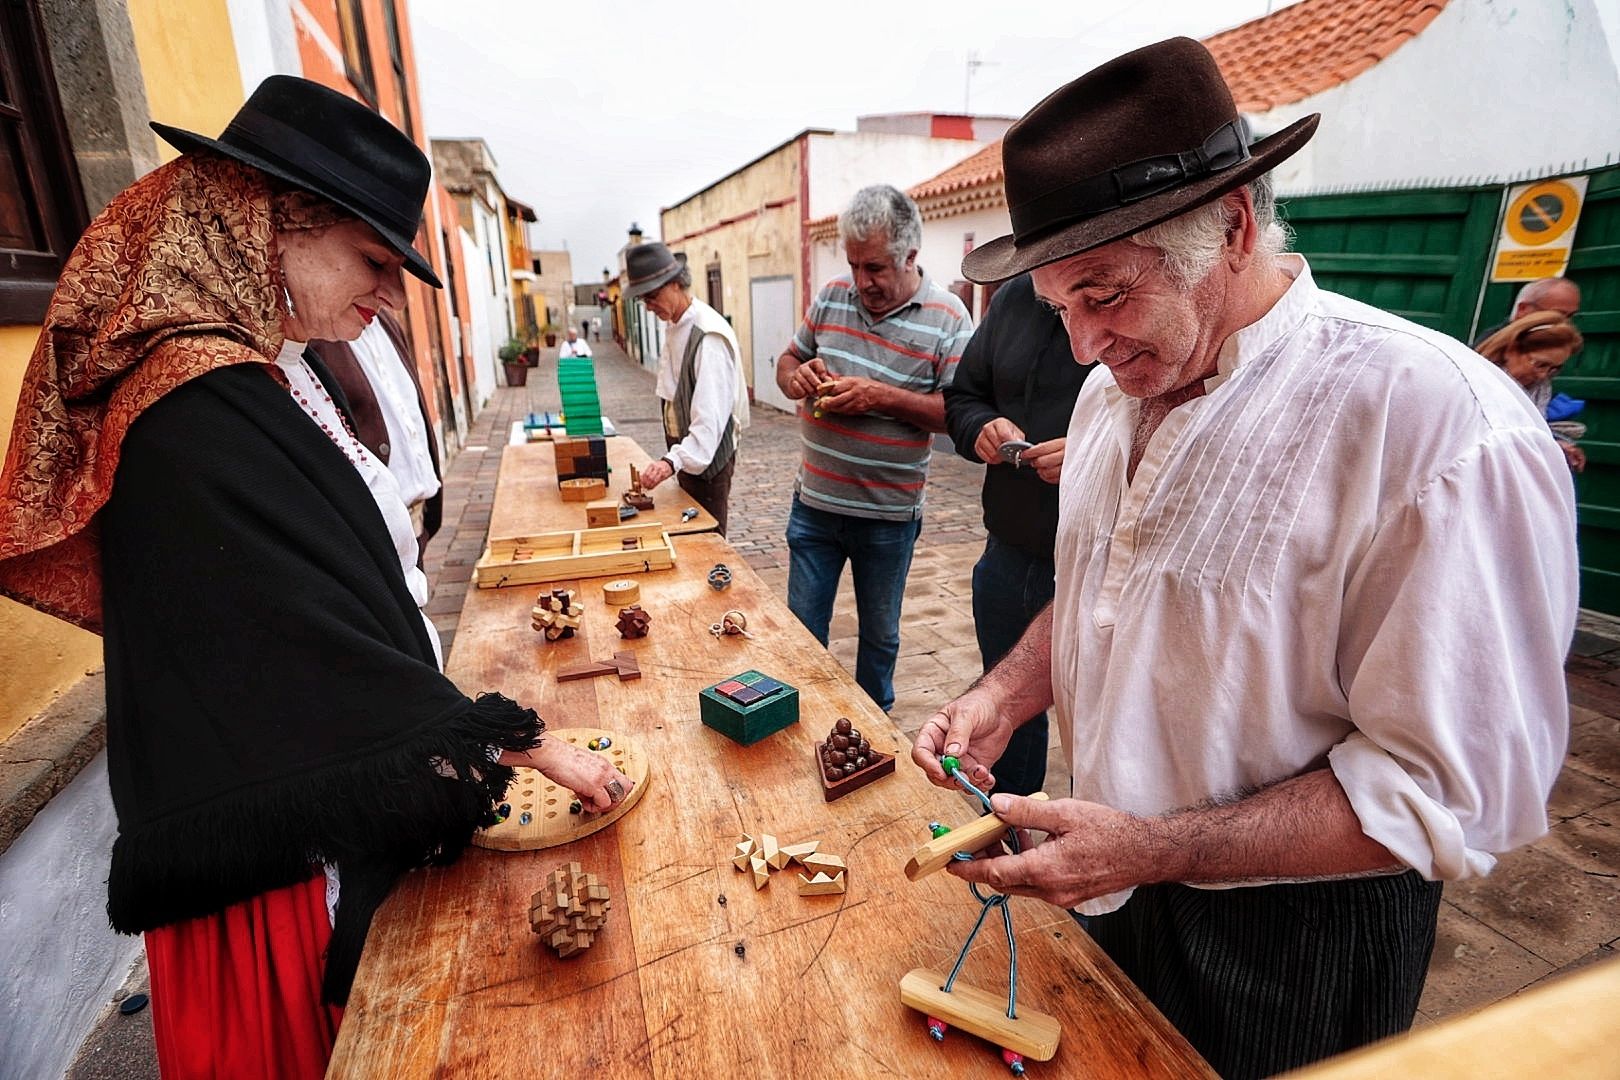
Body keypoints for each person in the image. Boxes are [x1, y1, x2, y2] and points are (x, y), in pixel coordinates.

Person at [911, 38, 1577, 1079]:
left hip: (1297, 941)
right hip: (1114, 885)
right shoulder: (1108, 396)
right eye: (1057, 308)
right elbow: (1108, 592)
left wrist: (1157, 847)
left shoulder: (1433, 425)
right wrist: (1006, 694)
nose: (1083, 345)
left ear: (1231, 225)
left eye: (1108, 293)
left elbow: (1448, 784)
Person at [0, 76, 631, 1079]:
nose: (386, 295)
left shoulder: (248, 367)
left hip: (283, 816)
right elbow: (292, 641)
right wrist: (521, 744)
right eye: (374, 260)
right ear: (279, 219)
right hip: (268, 868)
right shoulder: (191, 404)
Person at [775, 185, 972, 712]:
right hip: (814, 507)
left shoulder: (949, 318)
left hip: (888, 518)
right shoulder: (833, 295)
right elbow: (789, 361)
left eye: (877, 268)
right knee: (800, 634)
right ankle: (802, 726)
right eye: (855, 266)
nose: (862, 282)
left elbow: (958, 414)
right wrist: (798, 379)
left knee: (880, 639)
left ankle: (874, 731)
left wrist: (879, 396)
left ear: (911, 255)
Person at [943, 274, 1090, 796]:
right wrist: (980, 425)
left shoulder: (1118, 304)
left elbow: (1162, 424)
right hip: (1006, 554)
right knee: (1005, 717)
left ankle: (1086, 848)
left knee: (1095, 724)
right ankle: (1009, 829)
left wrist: (1093, 453)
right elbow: (961, 398)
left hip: (1092, 561)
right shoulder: (1011, 299)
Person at [623, 242, 749, 533]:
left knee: (707, 541)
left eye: (653, 296)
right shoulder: (675, 323)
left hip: (707, 461)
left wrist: (671, 462)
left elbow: (709, 423)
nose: (648, 306)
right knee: (689, 533)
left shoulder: (707, 337)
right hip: (687, 455)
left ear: (677, 284)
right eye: (644, 299)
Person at [310, 308, 443, 559]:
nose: (394, 294)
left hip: (417, 522)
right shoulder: (318, 337)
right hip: (376, 537)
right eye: (375, 266)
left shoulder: (387, 322)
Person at [1477, 311, 1587, 471]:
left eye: (1554, 368)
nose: (1543, 375)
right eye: (1540, 364)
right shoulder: (1481, 383)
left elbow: (1530, 432)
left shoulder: (1541, 387)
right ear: (1512, 350)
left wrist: (1555, 446)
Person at [1472, 276, 1582, 345]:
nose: (1565, 323)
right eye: (1556, 315)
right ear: (1523, 309)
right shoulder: (1492, 344)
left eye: (1570, 316)